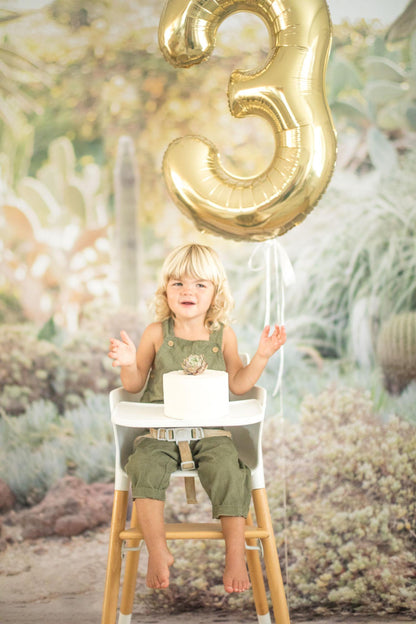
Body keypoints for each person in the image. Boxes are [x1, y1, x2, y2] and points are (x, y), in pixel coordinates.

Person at [108, 243, 286, 594]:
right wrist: (129, 362)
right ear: (165, 291)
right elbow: (133, 384)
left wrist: (262, 356)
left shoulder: (223, 336)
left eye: (199, 284)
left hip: (211, 431)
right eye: (178, 284)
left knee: (228, 468)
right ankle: (158, 552)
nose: (188, 291)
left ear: (215, 293)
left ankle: (234, 554)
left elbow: (238, 384)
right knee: (142, 466)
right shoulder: (156, 333)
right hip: (158, 433)